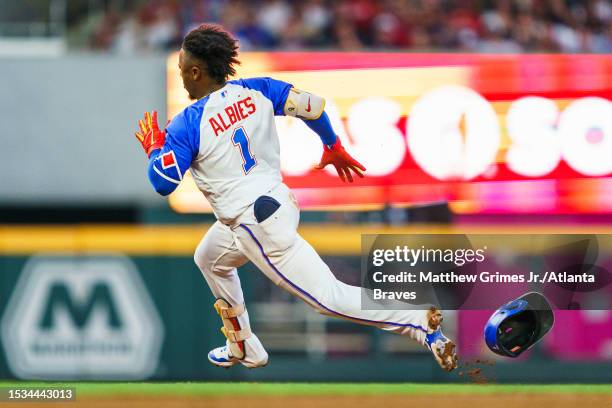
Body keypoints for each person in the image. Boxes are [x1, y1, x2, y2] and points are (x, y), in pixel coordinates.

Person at [133, 23, 457, 372]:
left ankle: (419, 323)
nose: (181, 74)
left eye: (182, 67)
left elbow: (163, 182)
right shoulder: (257, 89)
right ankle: (242, 344)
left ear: (196, 71)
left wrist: (155, 148)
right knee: (209, 258)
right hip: (276, 201)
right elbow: (313, 106)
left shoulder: (186, 123)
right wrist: (332, 144)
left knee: (328, 297)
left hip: (253, 223)